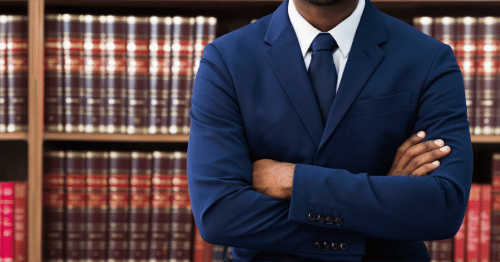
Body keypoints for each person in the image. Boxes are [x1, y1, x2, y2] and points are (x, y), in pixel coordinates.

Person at [187, 0, 473, 261]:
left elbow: (443, 207)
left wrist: (293, 180)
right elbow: (219, 214)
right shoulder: (226, 58)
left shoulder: (429, 58)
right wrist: (384, 198)